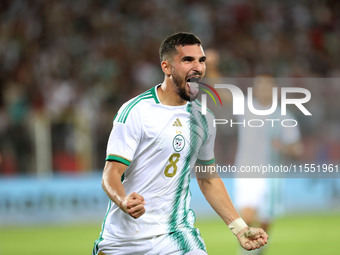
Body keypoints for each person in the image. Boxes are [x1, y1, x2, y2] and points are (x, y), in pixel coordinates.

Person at [92, 32, 268, 255]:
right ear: (166, 67)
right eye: (188, 60)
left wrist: (239, 228)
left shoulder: (203, 119)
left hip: (176, 236)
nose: (198, 67)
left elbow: (208, 179)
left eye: (201, 60)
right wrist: (123, 199)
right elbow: (111, 173)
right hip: (124, 240)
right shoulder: (136, 111)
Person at [234, 75, 303, 255]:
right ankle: (247, 249)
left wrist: (284, 147)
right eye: (260, 87)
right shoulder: (247, 107)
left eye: (267, 87)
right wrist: (214, 68)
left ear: (275, 91)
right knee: (247, 216)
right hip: (246, 171)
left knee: (266, 219)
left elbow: (297, 148)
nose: (263, 90)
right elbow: (222, 92)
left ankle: (258, 249)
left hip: (271, 176)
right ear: (255, 90)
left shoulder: (283, 116)